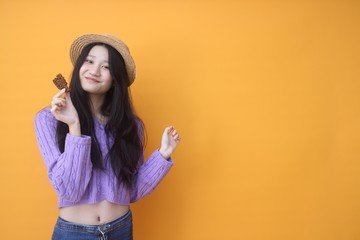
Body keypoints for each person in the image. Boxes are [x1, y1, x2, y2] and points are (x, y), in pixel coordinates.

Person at [34, 33, 181, 240]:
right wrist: (74, 125)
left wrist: (163, 155)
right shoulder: (48, 120)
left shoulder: (130, 126)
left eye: (106, 67)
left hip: (120, 229)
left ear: (115, 80)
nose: (94, 71)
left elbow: (132, 191)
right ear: (79, 67)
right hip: (74, 233)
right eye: (89, 61)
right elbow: (70, 191)